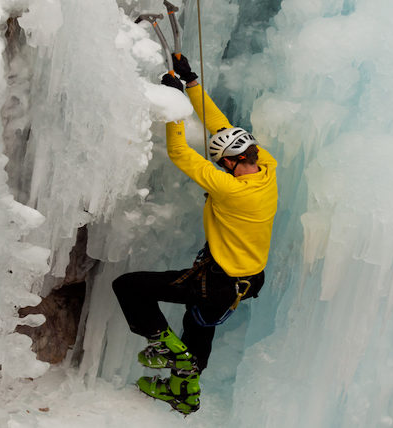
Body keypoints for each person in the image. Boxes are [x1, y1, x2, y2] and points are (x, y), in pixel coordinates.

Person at [112, 54, 278, 414]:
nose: (221, 167)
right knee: (199, 323)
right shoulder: (266, 166)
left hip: (218, 281)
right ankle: (183, 392)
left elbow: (179, 152)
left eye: (223, 163)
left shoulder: (232, 189)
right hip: (244, 281)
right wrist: (192, 84)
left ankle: (168, 350)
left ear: (232, 163)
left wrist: (174, 109)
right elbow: (223, 127)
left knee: (129, 286)